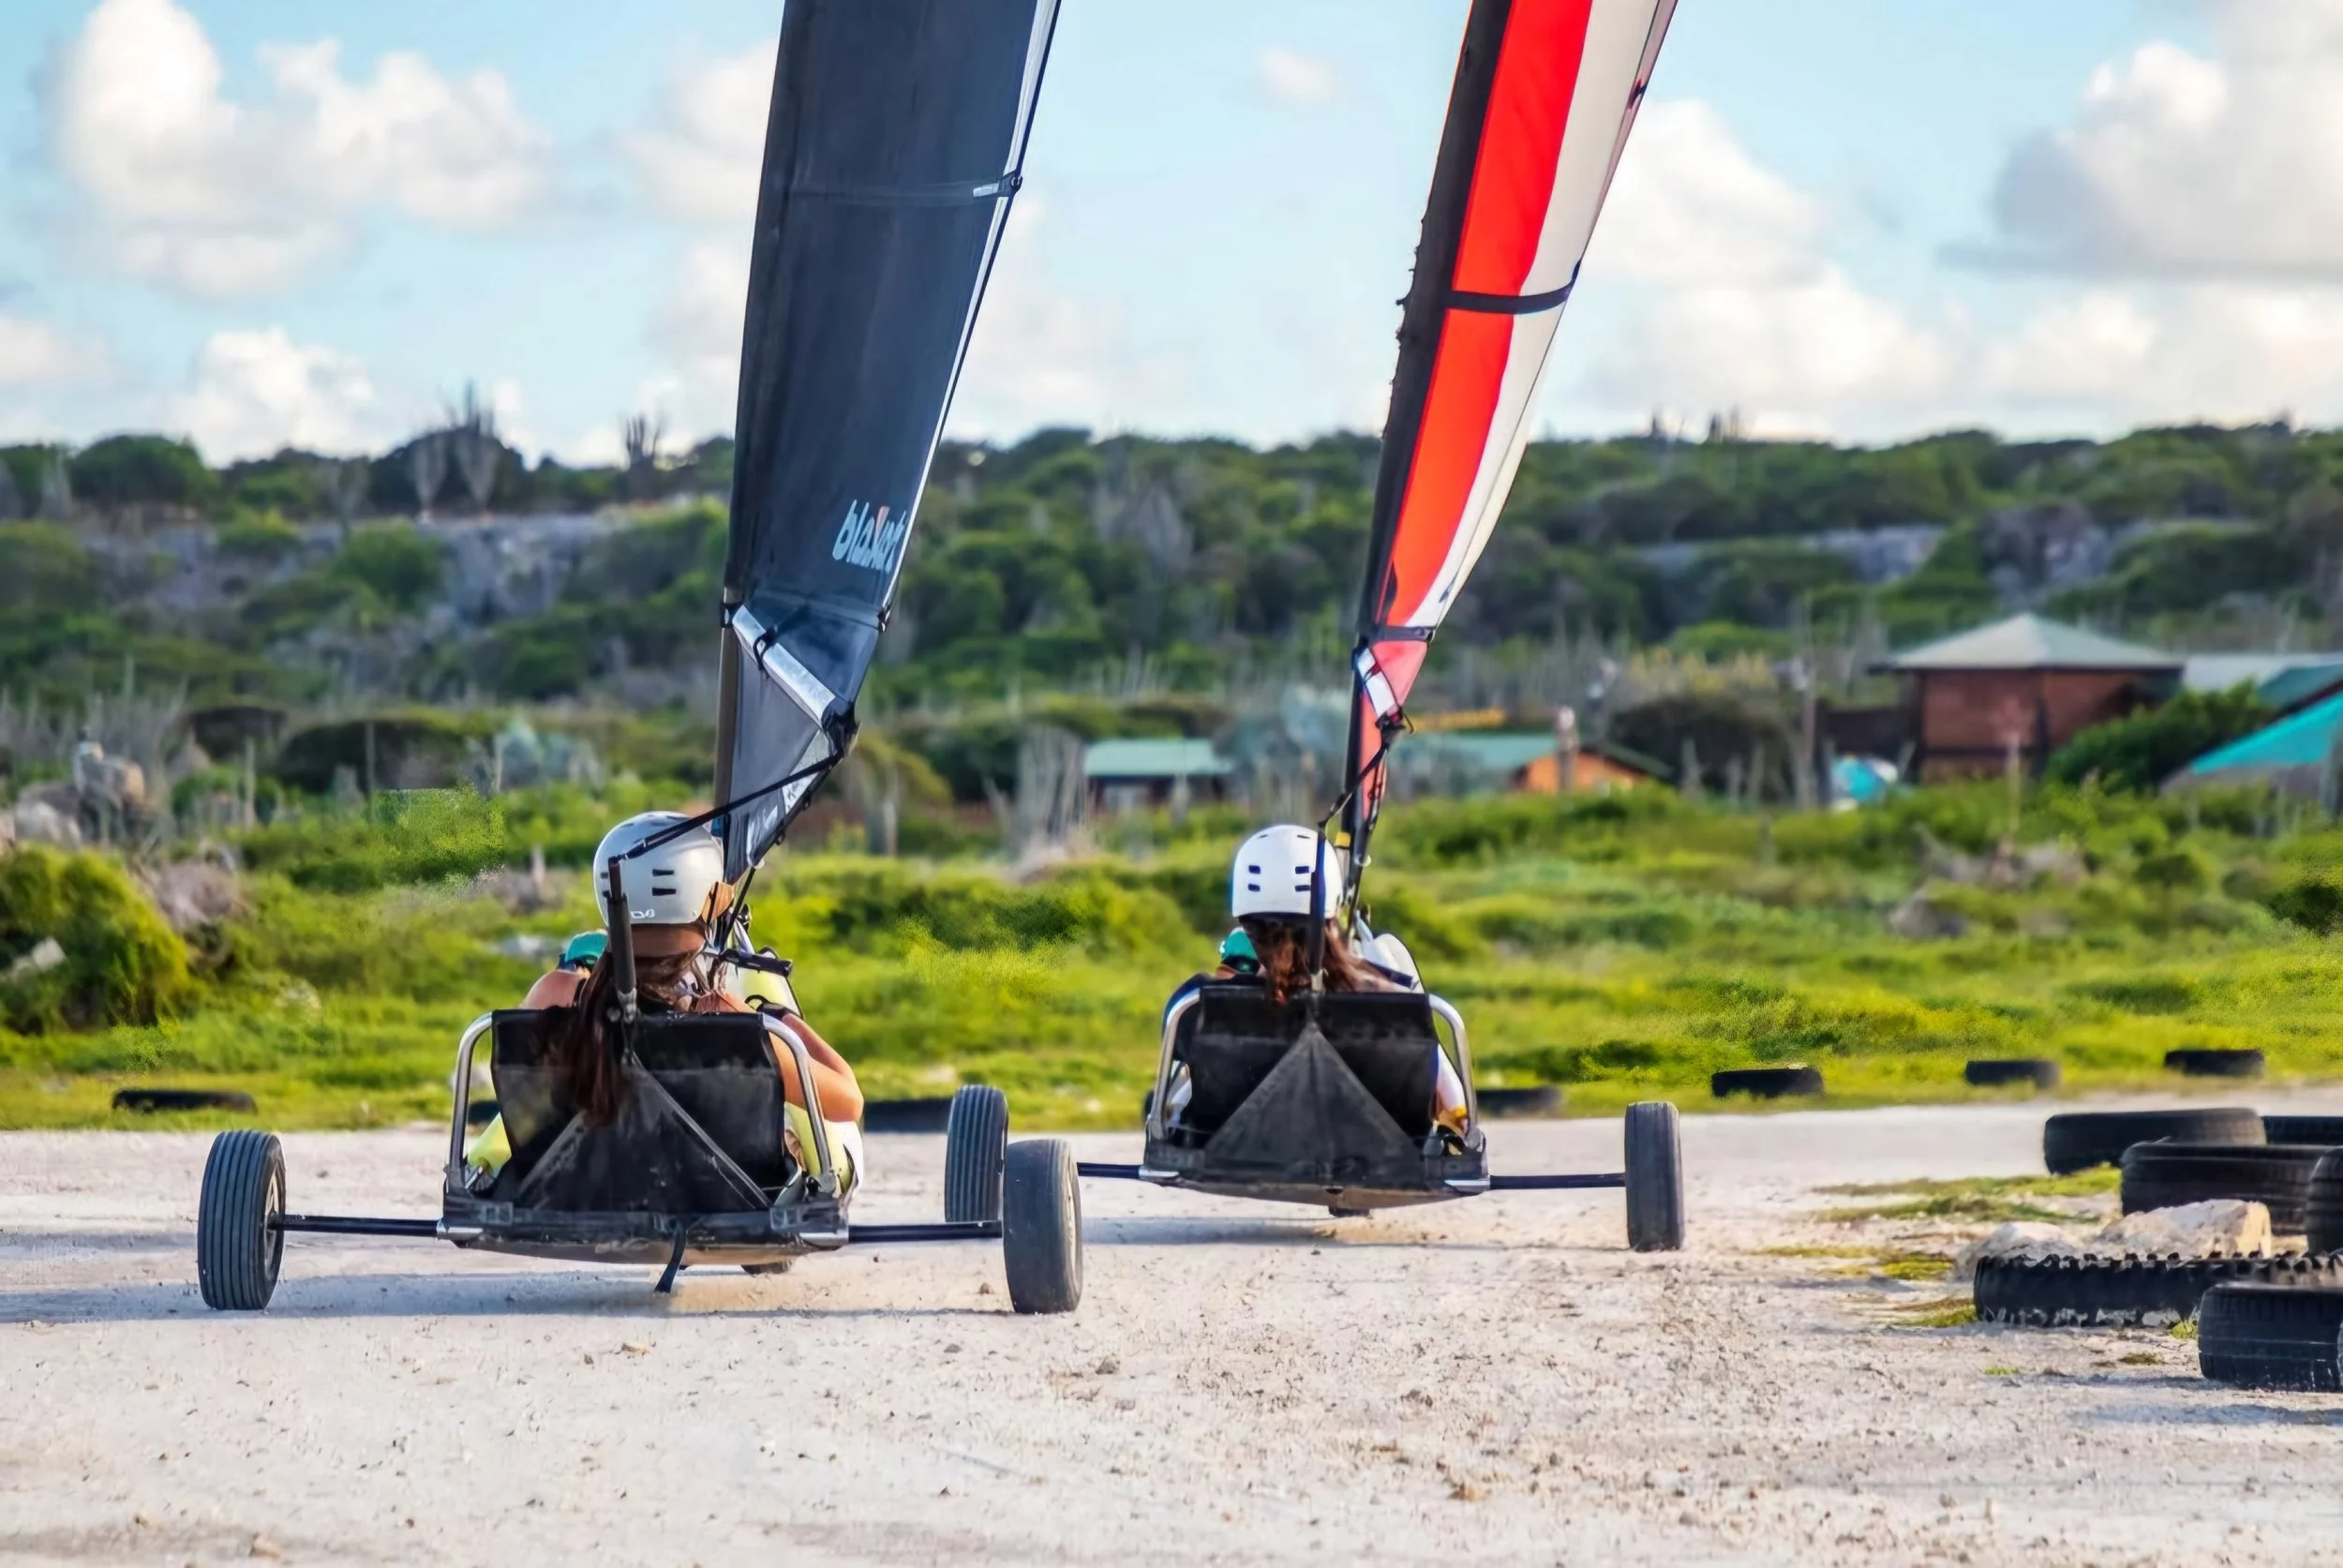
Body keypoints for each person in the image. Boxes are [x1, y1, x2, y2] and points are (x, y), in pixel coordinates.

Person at [466, 811, 863, 1187]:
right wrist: (778, 1018)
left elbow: (525, 1101)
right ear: (703, 902)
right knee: (819, 1121)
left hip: (581, 1192)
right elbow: (849, 1102)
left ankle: (480, 1165)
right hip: (717, 1198)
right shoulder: (729, 1021)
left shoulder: (556, 994)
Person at [1157, 824, 1468, 1134]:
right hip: (1386, 1157)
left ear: (1244, 922)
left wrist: (1238, 975)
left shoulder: (1196, 1006)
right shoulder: (1398, 1007)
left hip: (1236, 1153)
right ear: (1332, 914)